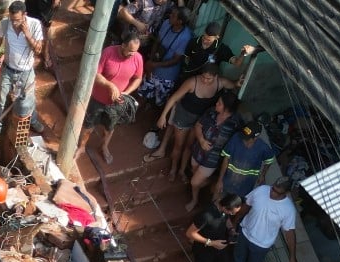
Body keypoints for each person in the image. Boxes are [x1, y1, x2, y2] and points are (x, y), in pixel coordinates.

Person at [145, 64, 236, 181]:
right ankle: (173, 169)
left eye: (209, 78)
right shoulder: (192, 82)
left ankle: (182, 171)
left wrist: (239, 81)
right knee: (178, 145)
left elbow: (235, 84)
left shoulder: (220, 82)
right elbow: (174, 98)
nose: (205, 80)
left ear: (216, 77)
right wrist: (163, 116)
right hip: (183, 117)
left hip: (199, 119)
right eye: (203, 77)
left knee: (189, 146)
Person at [221, 177, 298, 262]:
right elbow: (246, 206)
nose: (272, 193)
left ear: (285, 193)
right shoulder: (262, 190)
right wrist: (235, 223)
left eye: (277, 192)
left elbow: (289, 233)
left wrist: (292, 256)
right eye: (273, 188)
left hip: (261, 245)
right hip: (245, 234)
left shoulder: (288, 210)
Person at [76, 29, 144, 166]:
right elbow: (96, 74)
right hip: (98, 98)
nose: (132, 54)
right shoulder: (108, 52)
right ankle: (81, 147)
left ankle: (104, 146)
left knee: (110, 128)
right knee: (89, 125)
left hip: (117, 102)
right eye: (130, 50)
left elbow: (138, 78)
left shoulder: (137, 57)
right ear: (123, 45)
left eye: (135, 51)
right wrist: (110, 85)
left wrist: (126, 92)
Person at [0, 1, 46, 138]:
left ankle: (32, 121)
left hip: (26, 73)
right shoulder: (4, 23)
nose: (14, 23)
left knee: (27, 101)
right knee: (2, 101)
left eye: (17, 20)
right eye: (12, 19)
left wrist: (27, 34)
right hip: (8, 70)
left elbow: (38, 50)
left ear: (25, 15)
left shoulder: (34, 25)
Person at [186, 90, 241, 212]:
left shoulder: (235, 123)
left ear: (227, 108)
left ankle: (195, 200)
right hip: (198, 151)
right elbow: (198, 125)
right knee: (195, 174)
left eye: (220, 103)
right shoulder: (211, 112)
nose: (216, 104)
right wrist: (201, 140)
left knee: (194, 182)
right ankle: (206, 188)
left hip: (213, 159)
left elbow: (236, 143)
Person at [186, 193, 243, 262]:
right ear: (225, 207)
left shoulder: (225, 211)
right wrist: (211, 243)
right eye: (231, 212)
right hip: (203, 250)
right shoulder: (206, 215)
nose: (232, 214)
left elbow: (226, 219)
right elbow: (190, 233)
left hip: (219, 247)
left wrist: (231, 229)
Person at [134, 6, 192, 109]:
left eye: (173, 16)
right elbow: (157, 42)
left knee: (159, 102)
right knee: (142, 94)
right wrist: (151, 61)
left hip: (167, 77)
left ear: (180, 21)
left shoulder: (186, 36)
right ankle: (132, 114)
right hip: (153, 68)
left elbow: (175, 60)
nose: (170, 16)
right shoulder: (166, 23)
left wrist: (153, 64)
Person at [214, 121, 275, 199]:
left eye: (248, 138)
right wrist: (220, 180)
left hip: (245, 187)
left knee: (234, 205)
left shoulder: (263, 148)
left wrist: (263, 175)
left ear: (256, 138)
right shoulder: (236, 138)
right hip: (227, 181)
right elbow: (226, 158)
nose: (244, 140)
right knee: (217, 200)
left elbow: (269, 160)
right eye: (244, 136)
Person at [178, 22, 255, 81]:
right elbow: (186, 57)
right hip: (188, 77)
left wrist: (242, 54)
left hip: (205, 81)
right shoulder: (194, 42)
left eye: (208, 40)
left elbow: (237, 63)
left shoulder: (221, 49)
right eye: (204, 37)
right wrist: (190, 67)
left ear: (217, 37)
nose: (204, 41)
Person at [25, 0, 59, 68]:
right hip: (31, 2)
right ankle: (32, 51)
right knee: (31, 22)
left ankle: (46, 52)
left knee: (46, 26)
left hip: (46, 3)